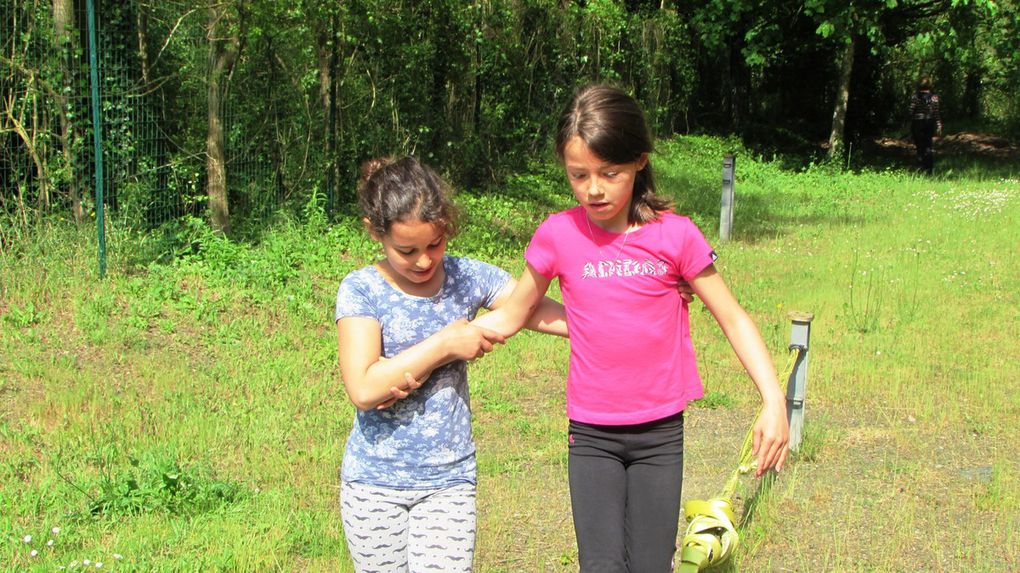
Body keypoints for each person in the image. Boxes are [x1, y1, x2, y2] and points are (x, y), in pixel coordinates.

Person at [471, 84, 790, 572]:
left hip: (660, 435)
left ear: (639, 161)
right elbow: (517, 313)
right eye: (579, 175)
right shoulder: (559, 233)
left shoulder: (676, 234)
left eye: (609, 173)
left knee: (649, 565)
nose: (594, 188)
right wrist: (439, 341)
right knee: (599, 566)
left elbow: (733, 317)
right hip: (592, 435)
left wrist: (773, 401)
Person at [334, 156, 569, 572]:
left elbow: (528, 307)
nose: (424, 261)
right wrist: (446, 343)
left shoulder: (467, 277)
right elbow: (365, 388)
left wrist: (611, 319)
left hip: (449, 482)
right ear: (375, 232)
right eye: (406, 250)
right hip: (374, 484)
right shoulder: (362, 290)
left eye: (435, 244)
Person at [909, 76, 943, 175]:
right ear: (930, 85)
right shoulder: (934, 97)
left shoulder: (915, 97)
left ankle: (920, 168)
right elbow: (936, 113)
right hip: (929, 123)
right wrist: (939, 125)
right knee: (928, 145)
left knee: (919, 146)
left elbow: (910, 111)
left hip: (917, 123)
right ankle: (929, 170)